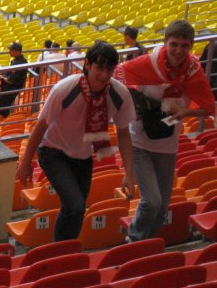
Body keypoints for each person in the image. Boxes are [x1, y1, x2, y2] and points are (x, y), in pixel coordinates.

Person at [16, 40, 136, 242]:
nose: (104, 75)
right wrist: (26, 161)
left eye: (109, 69)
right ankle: (60, 251)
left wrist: (129, 174)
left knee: (76, 209)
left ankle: (66, 247)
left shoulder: (119, 94)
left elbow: (124, 133)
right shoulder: (65, 89)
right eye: (99, 67)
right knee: (75, 206)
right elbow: (41, 126)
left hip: (83, 156)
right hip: (53, 152)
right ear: (87, 64)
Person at [121, 20, 215, 242]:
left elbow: (209, 107)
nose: (178, 50)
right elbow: (119, 79)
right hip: (139, 142)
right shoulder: (148, 63)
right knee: (152, 201)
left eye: (184, 46)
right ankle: (134, 240)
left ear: (191, 46)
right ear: (165, 42)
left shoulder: (193, 71)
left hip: (168, 145)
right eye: (174, 44)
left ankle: (145, 242)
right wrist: (133, 107)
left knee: (162, 207)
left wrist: (185, 112)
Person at [0, 42, 28, 118]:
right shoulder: (22, 60)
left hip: (11, 88)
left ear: (17, 51)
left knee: (2, 108)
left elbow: (10, 80)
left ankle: (2, 121)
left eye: (11, 50)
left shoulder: (18, 63)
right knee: (3, 107)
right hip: (13, 87)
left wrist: (0, 77)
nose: (9, 52)